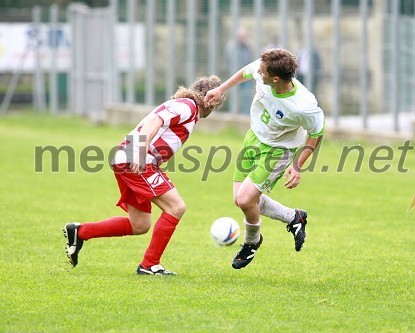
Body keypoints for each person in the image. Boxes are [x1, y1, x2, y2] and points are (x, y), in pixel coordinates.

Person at [63, 76, 226, 275]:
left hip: (127, 159)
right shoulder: (187, 106)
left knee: (139, 224)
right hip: (136, 160)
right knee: (176, 207)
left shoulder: (187, 109)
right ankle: (150, 265)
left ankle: (80, 232)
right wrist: (140, 152)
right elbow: (153, 122)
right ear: (210, 99)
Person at [204, 48, 325, 269]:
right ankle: (293, 217)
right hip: (253, 138)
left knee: (245, 200)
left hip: (277, 151)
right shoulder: (264, 69)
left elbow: (316, 133)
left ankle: (252, 242)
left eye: (262, 71)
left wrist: (298, 165)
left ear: (275, 78)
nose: (258, 72)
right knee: (241, 199)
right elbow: (245, 72)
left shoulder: (304, 106)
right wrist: (221, 89)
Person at [225, 28, 254, 114]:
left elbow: (250, 59)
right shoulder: (231, 47)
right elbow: (229, 60)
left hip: (246, 75)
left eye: (244, 37)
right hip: (235, 74)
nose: (242, 38)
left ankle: (245, 114)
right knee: (235, 95)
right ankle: (234, 113)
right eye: (241, 37)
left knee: (246, 95)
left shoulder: (247, 47)